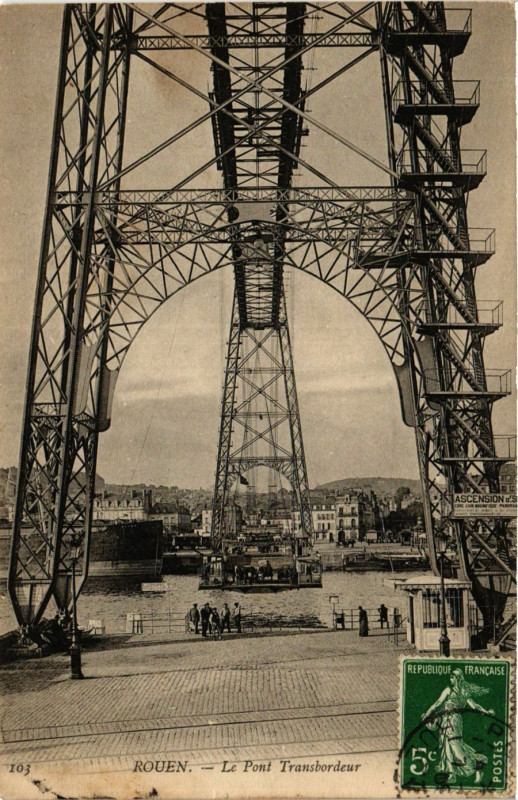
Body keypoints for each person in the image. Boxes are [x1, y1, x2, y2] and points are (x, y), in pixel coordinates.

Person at [422, 669, 494, 783]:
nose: (450, 679)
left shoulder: (462, 691)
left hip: (455, 721)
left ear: (458, 678)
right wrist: (427, 715)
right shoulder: (450, 690)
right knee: (447, 746)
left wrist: (486, 711)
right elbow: (437, 704)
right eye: (450, 677)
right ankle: (452, 775)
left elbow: (474, 706)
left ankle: (478, 764)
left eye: (453, 677)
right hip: (446, 720)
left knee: (456, 747)